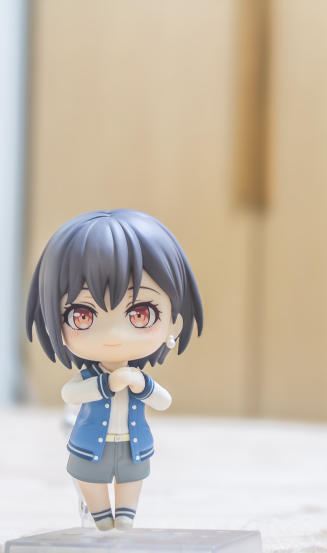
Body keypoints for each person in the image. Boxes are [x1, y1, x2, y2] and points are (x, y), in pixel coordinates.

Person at [25, 209, 203, 531]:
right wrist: (108, 384)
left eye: (140, 314)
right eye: (82, 315)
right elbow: (70, 393)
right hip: (90, 445)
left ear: (172, 321)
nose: (113, 334)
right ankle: (100, 519)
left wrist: (141, 385)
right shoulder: (91, 378)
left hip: (133, 446)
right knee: (91, 485)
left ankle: (124, 519)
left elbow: (163, 401)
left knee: (129, 491)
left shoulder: (140, 379)